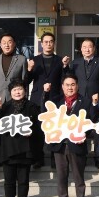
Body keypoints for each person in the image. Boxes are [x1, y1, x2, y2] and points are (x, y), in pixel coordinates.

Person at [0, 80, 41, 197]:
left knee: (23, 180)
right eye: (14, 90)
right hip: (8, 149)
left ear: (25, 90)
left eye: (20, 89)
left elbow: (38, 127)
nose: (17, 92)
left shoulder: (32, 106)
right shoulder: (5, 107)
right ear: (10, 92)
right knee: (9, 181)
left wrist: (31, 132)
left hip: (25, 149)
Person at [51, 74, 92, 197]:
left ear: (77, 86)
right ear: (62, 87)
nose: (70, 87)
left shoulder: (85, 102)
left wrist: (83, 134)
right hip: (60, 145)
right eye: (67, 85)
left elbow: (90, 122)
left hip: (77, 144)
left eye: (73, 84)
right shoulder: (56, 102)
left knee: (78, 176)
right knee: (61, 177)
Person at [0, 32, 27, 170]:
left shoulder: (21, 59)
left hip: (15, 99)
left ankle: (13, 155)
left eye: (10, 42)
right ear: (0, 45)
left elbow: (24, 81)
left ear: (14, 44)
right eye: (4, 42)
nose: (7, 45)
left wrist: (24, 99)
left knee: (13, 129)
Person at [63, 38, 99, 169]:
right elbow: (69, 79)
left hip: (95, 101)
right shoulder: (75, 63)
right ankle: (82, 157)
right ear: (81, 49)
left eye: (89, 46)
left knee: (97, 129)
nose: (87, 49)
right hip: (79, 102)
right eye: (84, 47)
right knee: (79, 128)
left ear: (94, 48)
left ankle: (98, 158)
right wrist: (65, 66)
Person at [25, 32, 64, 168]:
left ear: (54, 43)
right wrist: (29, 69)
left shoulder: (59, 60)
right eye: (46, 42)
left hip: (55, 98)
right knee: (37, 130)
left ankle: (54, 159)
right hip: (37, 99)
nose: (48, 44)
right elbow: (26, 81)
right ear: (41, 44)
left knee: (54, 129)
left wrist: (65, 67)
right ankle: (38, 159)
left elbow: (64, 79)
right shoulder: (34, 60)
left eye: (51, 41)